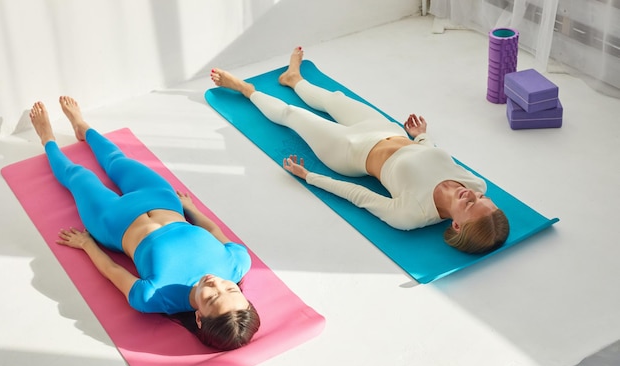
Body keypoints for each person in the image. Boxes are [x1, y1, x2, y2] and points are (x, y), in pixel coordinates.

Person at [210, 47, 509, 254]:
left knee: (292, 115)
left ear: (456, 225)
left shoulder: (412, 215)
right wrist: (420, 137)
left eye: (470, 205)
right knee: (333, 99)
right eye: (482, 198)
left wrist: (310, 176)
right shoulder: (475, 184)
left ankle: (245, 89)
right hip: (387, 129)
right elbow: (437, 160)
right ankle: (293, 78)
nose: (472, 194)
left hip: (350, 151)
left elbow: (359, 196)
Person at [29, 96, 260, 350]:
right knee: (117, 161)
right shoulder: (239, 262)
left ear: (199, 318)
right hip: (162, 199)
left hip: (112, 221)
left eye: (213, 297)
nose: (216, 284)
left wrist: (87, 244)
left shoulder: (156, 298)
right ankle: (83, 127)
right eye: (231, 290)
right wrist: (191, 209)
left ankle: (47, 139)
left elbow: (113, 271)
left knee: (78, 176)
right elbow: (213, 231)